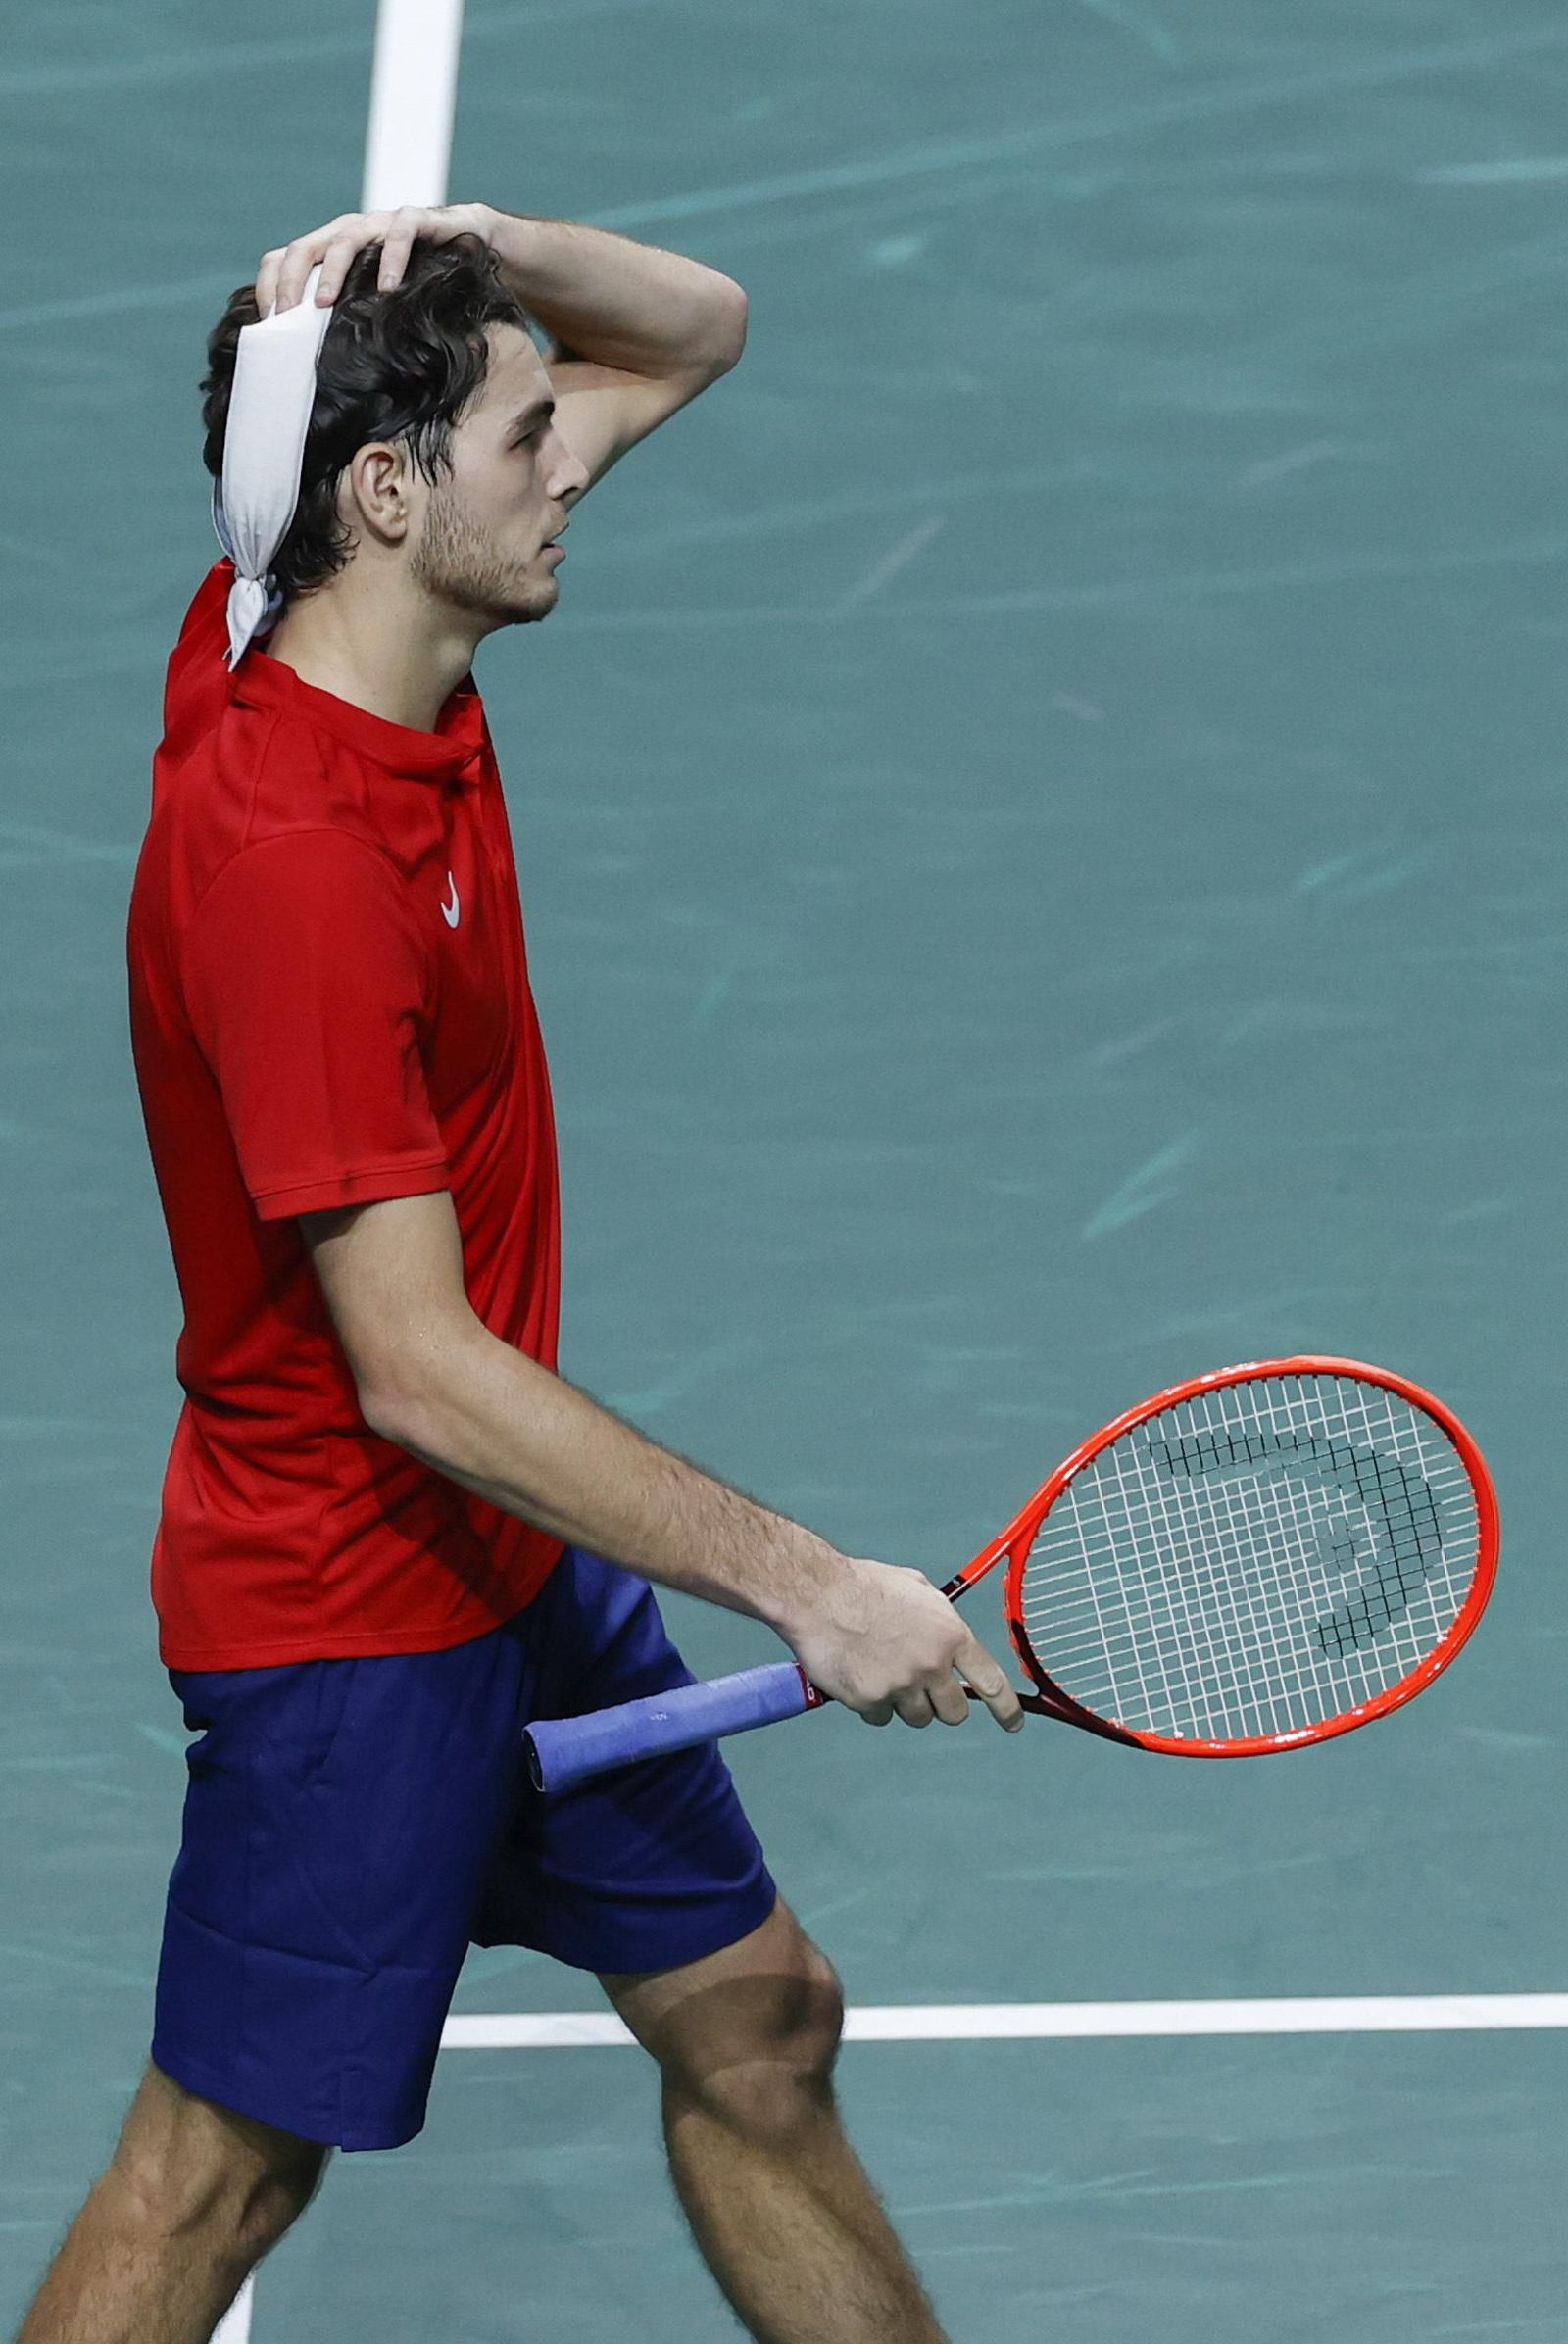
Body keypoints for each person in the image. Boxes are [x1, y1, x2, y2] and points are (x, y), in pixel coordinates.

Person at [17, 201, 1022, 2344]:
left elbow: (704, 327)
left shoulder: (315, 610)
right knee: (212, 2179)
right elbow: (417, 1369)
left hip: (505, 1562)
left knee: (757, 2023)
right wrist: (814, 1586)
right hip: (349, 1621)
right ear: (388, 491)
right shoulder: (298, 868)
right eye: (525, 438)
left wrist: (474, 239)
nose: (572, 465)